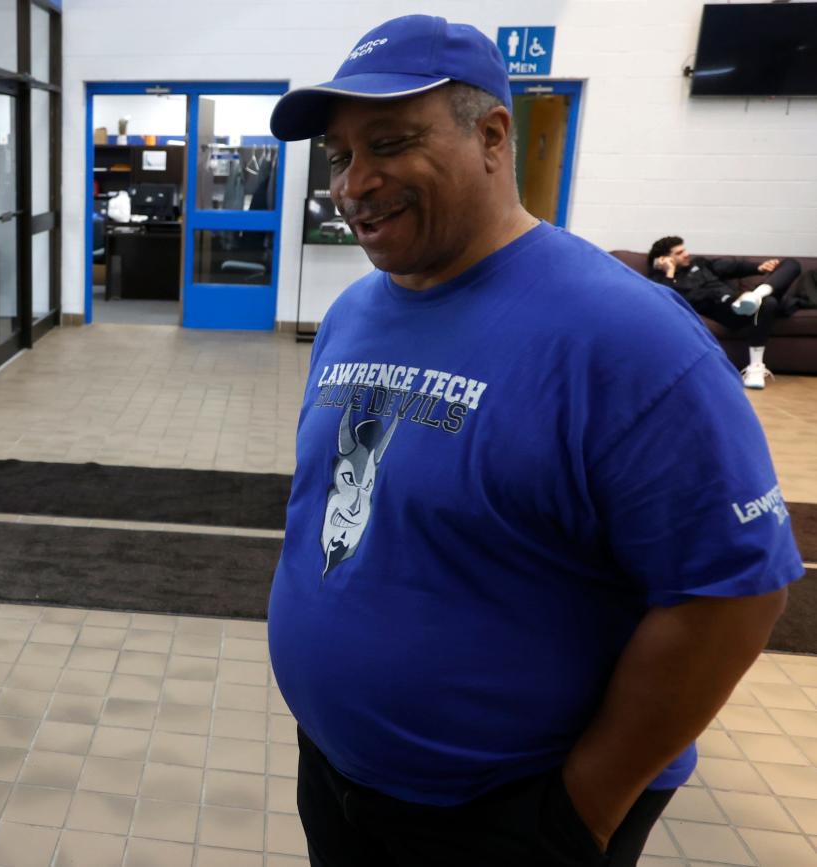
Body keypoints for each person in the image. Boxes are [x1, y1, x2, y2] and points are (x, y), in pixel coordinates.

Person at [267, 15, 801, 867]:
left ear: (491, 134)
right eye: (339, 155)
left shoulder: (625, 336)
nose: (355, 182)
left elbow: (737, 592)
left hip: (506, 815)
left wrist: (574, 816)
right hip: (339, 773)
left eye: (390, 143)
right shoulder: (352, 315)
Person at [647, 236, 803, 388]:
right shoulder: (659, 280)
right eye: (679, 253)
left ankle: (757, 295)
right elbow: (667, 301)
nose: (686, 254)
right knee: (769, 303)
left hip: (744, 300)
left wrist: (759, 267)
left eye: (684, 250)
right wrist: (669, 272)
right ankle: (755, 367)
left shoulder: (700, 263)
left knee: (792, 264)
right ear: (665, 259)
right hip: (726, 309)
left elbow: (733, 267)